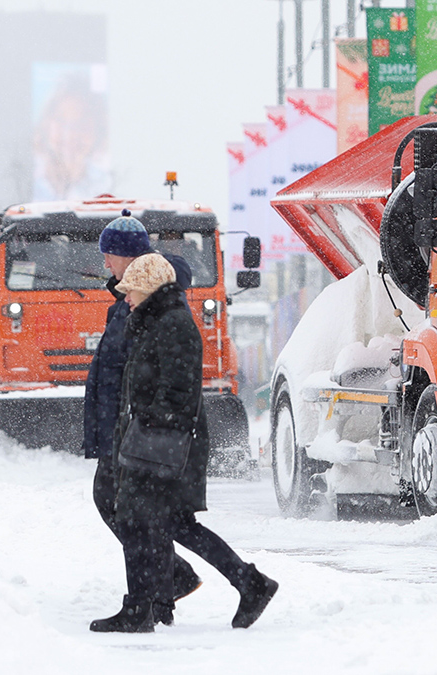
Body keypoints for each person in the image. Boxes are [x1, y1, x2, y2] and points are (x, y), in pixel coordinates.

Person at [90, 253, 278, 633]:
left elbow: (177, 390)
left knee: (141, 519)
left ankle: (142, 608)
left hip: (166, 445)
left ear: (149, 291)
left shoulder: (172, 324)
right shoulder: (156, 320)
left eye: (132, 291)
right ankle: (245, 583)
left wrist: (148, 430)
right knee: (165, 523)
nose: (126, 298)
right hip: (159, 441)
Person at [83, 211, 201, 609]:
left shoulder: (146, 303)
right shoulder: (125, 299)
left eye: (109, 255)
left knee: (129, 509)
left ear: (129, 259)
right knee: (125, 508)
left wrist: (138, 421)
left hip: (134, 426)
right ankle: (166, 586)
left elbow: (140, 370)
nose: (105, 263)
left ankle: (161, 590)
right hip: (122, 423)